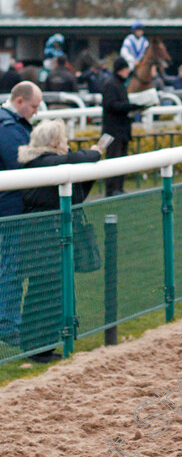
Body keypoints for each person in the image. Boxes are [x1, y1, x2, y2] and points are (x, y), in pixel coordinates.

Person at [17, 119, 102, 362]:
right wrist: (95, 152)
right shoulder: (44, 162)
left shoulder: (42, 162)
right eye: (64, 140)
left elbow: (77, 195)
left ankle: (40, 346)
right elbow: (77, 159)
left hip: (42, 235)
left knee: (47, 289)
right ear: (55, 142)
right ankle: (38, 350)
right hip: (41, 237)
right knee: (44, 291)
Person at [0, 81, 43, 347]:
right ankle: (7, 325)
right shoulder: (8, 127)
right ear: (19, 102)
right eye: (34, 107)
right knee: (11, 267)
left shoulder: (10, 123)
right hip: (11, 207)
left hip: (12, 205)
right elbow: (21, 161)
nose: (36, 113)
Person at [101, 57, 145, 196]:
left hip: (121, 129)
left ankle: (118, 188)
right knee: (114, 159)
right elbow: (111, 105)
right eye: (126, 69)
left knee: (121, 159)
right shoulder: (111, 84)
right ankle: (112, 189)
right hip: (114, 130)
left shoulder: (118, 83)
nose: (128, 72)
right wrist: (131, 106)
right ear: (121, 69)